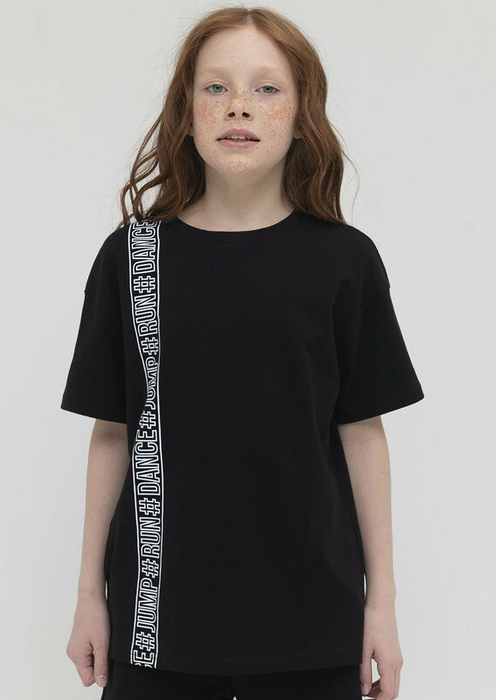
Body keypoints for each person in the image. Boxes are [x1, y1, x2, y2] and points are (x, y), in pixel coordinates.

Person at [60, 6, 425, 700]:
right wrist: (88, 596)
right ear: (185, 112)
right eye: (215, 86)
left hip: (314, 619)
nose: (238, 106)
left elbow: (362, 432)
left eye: (266, 88)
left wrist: (381, 604)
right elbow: (112, 432)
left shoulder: (344, 261)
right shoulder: (132, 258)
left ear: (301, 115)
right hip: (155, 622)